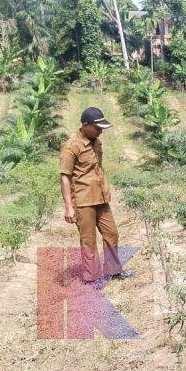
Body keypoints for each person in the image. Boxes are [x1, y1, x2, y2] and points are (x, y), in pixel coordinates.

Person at [59, 107, 124, 284]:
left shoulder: (96, 142)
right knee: (88, 240)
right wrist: (69, 208)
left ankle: (112, 272)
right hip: (83, 200)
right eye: (97, 127)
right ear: (85, 125)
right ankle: (92, 278)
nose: (100, 131)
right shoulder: (71, 147)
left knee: (112, 234)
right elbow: (65, 177)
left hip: (101, 198)